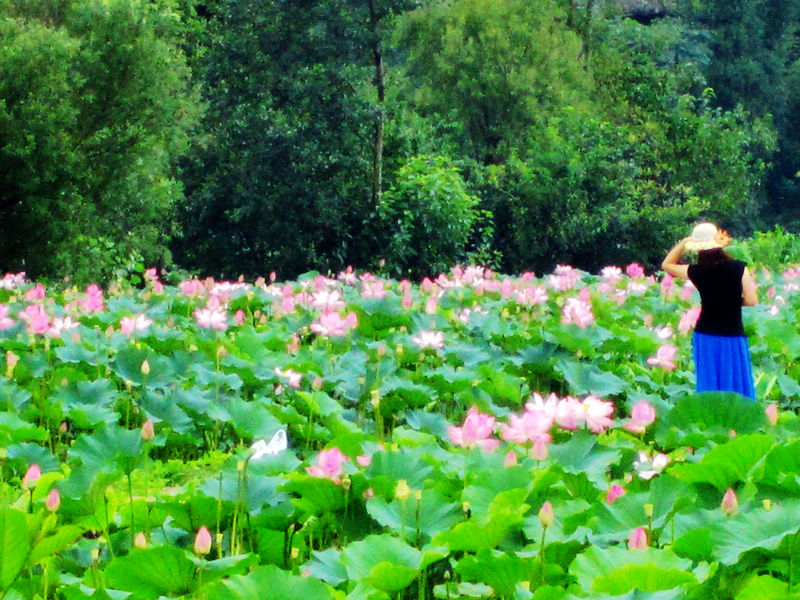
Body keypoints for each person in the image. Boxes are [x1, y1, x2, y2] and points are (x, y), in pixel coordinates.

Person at [661, 222, 758, 400]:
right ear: (717, 244)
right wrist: (732, 302)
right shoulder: (739, 268)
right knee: (735, 386)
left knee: (708, 387)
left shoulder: (696, 271)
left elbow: (667, 264)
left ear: (698, 248)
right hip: (732, 334)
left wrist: (684, 242)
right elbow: (752, 300)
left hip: (705, 334)